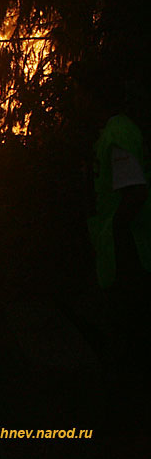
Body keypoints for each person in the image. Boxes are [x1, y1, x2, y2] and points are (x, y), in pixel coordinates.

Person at [88, 112, 151, 377]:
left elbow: (135, 191)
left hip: (129, 251)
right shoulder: (112, 132)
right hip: (121, 248)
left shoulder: (117, 135)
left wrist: (116, 229)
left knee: (130, 334)